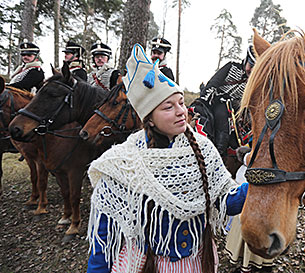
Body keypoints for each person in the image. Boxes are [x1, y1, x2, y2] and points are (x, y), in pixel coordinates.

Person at [86, 44, 248, 273]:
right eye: (168, 107)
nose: (182, 111)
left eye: (181, 102)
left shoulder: (204, 150)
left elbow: (226, 202)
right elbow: (103, 236)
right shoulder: (122, 164)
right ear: (149, 119)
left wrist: (258, 179)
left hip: (195, 264)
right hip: (141, 265)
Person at [195, 45, 256, 157]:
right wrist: (203, 101)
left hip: (238, 108)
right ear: (246, 59)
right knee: (223, 122)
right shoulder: (231, 66)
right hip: (219, 101)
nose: (252, 70)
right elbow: (214, 83)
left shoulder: (254, 80)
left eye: (256, 67)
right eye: (251, 65)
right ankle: (219, 155)